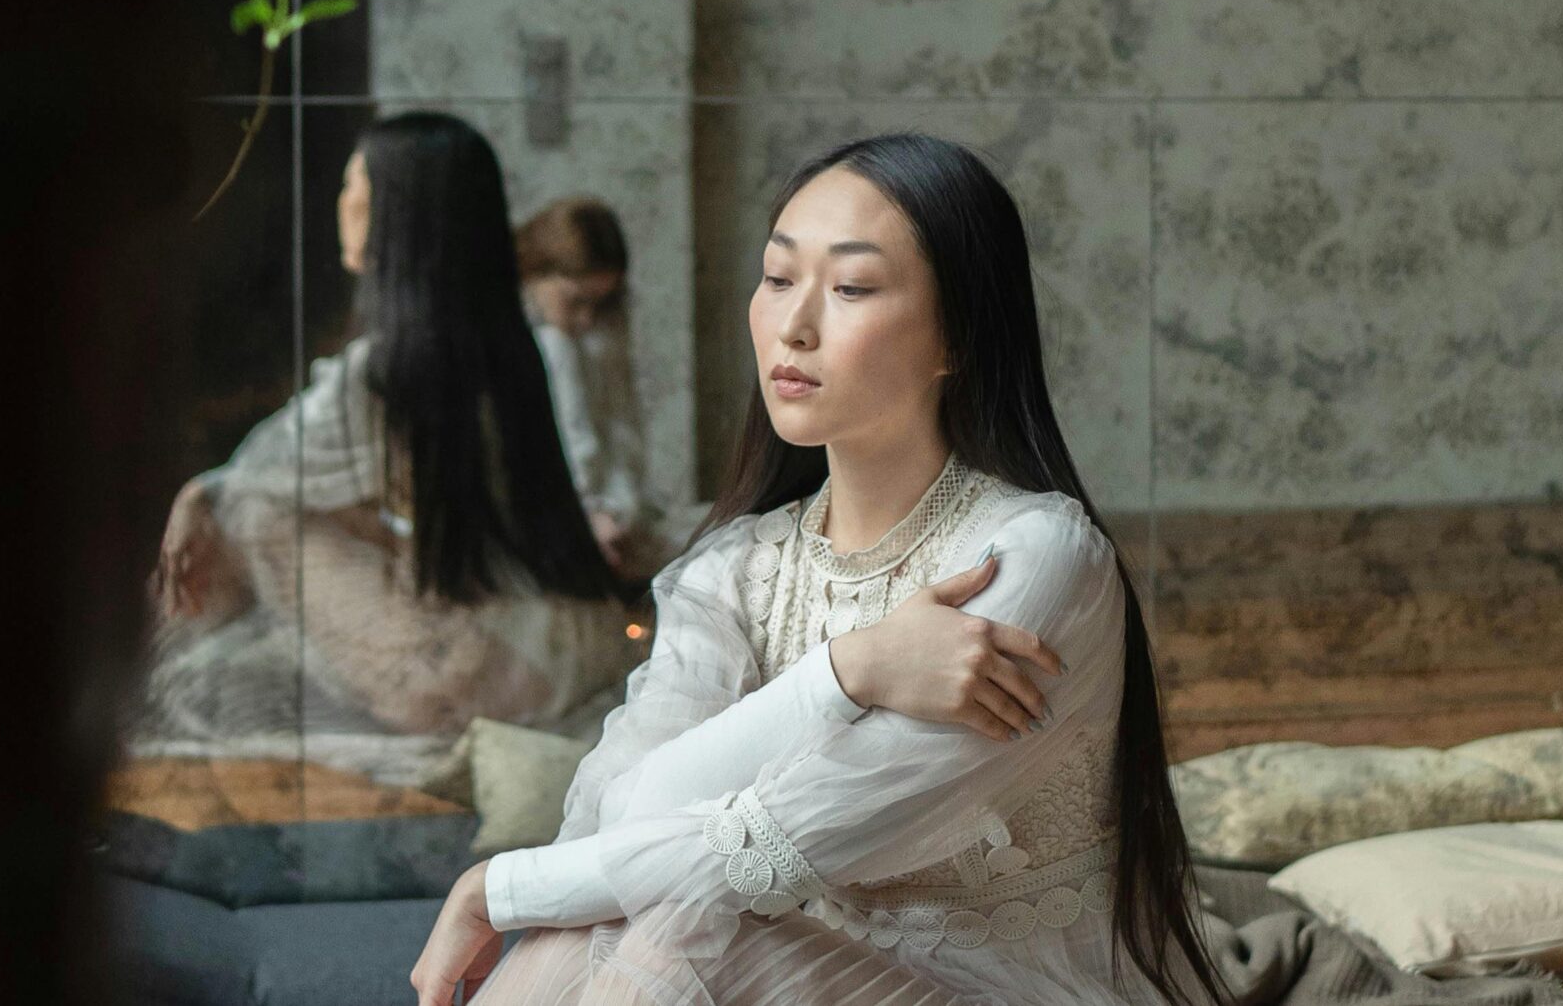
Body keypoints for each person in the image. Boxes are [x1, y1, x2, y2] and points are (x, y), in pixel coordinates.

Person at [409, 133, 1235, 1006]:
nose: (793, 325)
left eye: (850, 287)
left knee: (672, 922)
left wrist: (501, 887)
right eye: (777, 277)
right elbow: (626, 815)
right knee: (615, 917)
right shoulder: (735, 569)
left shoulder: (1028, 560)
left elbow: (785, 838)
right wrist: (846, 671)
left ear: (957, 336)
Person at [144, 112, 640, 745]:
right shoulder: (502, 345)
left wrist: (198, 494)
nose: (342, 206)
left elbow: (263, 476)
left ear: (396, 216)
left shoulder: (386, 368)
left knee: (249, 513)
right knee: (287, 507)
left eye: (355, 189)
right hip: (553, 642)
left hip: (464, 669)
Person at [518, 196, 662, 575]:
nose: (585, 319)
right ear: (534, 274)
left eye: (599, 304)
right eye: (575, 301)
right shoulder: (537, 343)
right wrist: (583, 514)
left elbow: (623, 429)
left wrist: (617, 511)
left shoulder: (599, 337)